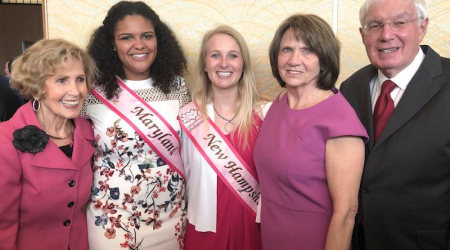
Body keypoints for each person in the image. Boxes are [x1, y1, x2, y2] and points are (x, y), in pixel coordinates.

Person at [339, 0, 450, 249]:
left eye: (400, 22)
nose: (386, 35)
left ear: (422, 27)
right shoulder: (350, 88)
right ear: (362, 34)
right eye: (375, 25)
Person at [253, 14, 368, 250]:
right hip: (272, 236)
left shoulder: (340, 121)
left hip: (313, 240)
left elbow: (346, 213)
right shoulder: (279, 102)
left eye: (307, 51)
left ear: (324, 61)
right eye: (287, 49)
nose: (294, 60)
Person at [83, 1, 190, 249]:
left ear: (158, 40)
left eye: (147, 36)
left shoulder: (178, 88)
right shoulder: (91, 93)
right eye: (126, 37)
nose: (139, 45)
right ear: (112, 42)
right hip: (112, 221)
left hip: (170, 219)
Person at [0, 38, 97, 250]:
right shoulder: (5, 139)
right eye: (62, 80)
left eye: (80, 79)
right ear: (35, 88)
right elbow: (2, 226)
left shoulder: (89, 131)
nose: (76, 91)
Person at [179, 25, 270, 250]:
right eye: (215, 55)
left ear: (243, 64)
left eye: (233, 56)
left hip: (254, 230)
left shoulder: (267, 114)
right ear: (204, 64)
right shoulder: (188, 117)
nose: (224, 64)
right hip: (204, 232)